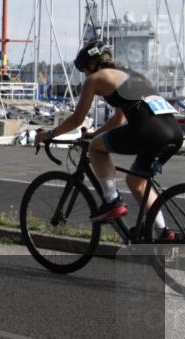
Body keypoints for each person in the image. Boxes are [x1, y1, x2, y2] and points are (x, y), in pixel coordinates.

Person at [34, 40, 181, 241]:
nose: (85, 74)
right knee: (137, 181)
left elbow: (77, 119)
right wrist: (96, 134)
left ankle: (112, 201)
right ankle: (164, 233)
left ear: (92, 64)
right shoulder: (130, 75)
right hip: (173, 132)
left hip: (148, 131)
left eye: (83, 69)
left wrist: (48, 135)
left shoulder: (95, 79)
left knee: (95, 149)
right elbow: (119, 119)